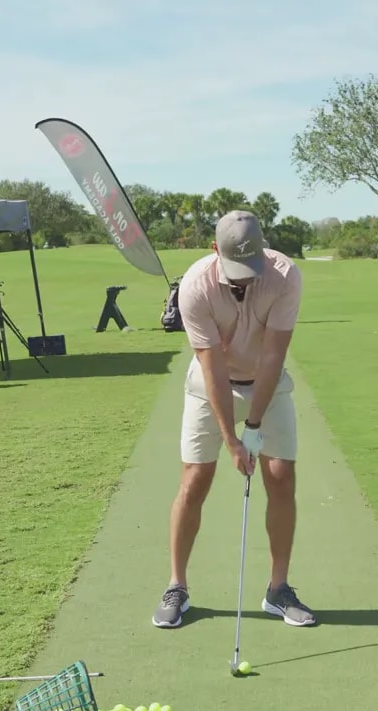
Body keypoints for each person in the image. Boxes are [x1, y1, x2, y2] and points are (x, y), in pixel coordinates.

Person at [152, 209, 316, 629]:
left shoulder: (285, 276)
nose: (245, 278)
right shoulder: (195, 286)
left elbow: (273, 356)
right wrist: (232, 441)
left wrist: (255, 427)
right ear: (214, 250)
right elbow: (212, 371)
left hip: (267, 382)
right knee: (194, 480)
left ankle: (278, 589)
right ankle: (177, 586)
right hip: (212, 384)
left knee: (280, 477)